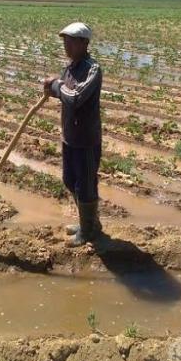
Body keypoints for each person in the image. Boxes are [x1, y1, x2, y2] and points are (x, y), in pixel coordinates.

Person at [43, 22, 103, 247]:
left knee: (85, 185)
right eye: (65, 42)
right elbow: (63, 92)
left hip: (86, 139)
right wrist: (52, 87)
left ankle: (88, 231)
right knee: (69, 180)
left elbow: (75, 97)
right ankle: (90, 223)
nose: (66, 46)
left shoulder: (92, 69)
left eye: (71, 42)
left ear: (84, 43)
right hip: (69, 136)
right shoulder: (69, 68)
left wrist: (56, 86)